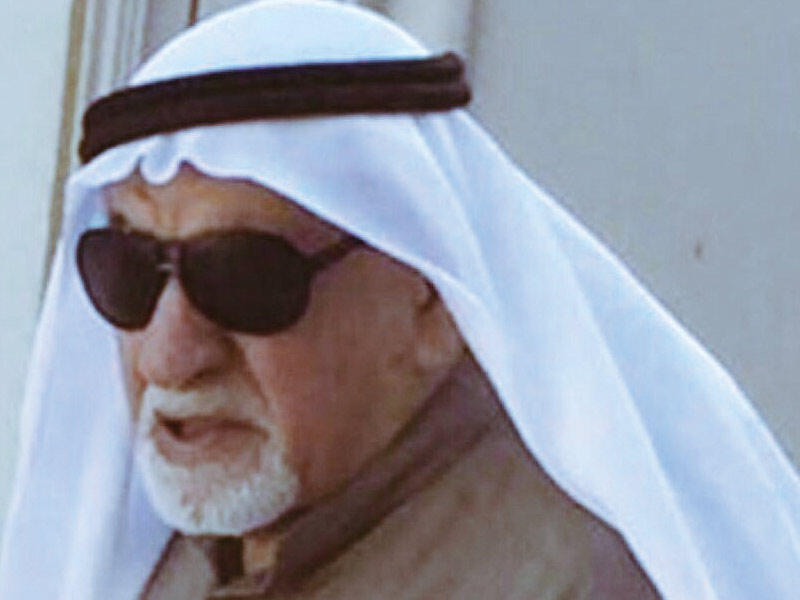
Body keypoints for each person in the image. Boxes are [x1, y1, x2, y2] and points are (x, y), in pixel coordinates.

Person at [1, 1, 799, 598]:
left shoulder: (559, 578)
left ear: (429, 301)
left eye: (243, 277)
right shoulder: (179, 551)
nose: (169, 352)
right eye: (130, 270)